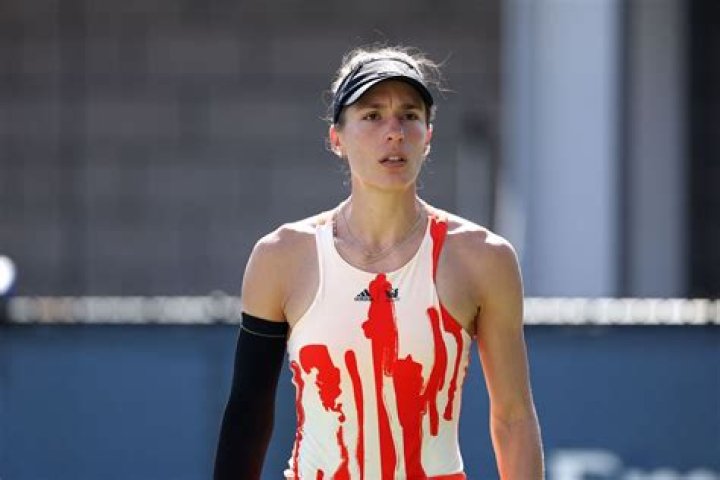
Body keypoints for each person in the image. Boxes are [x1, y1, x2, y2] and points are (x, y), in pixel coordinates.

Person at [214, 45, 543, 480]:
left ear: (428, 135)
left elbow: (513, 418)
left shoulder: (484, 257)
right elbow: (248, 413)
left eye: (409, 115)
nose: (395, 132)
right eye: (372, 116)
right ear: (336, 138)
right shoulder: (280, 256)